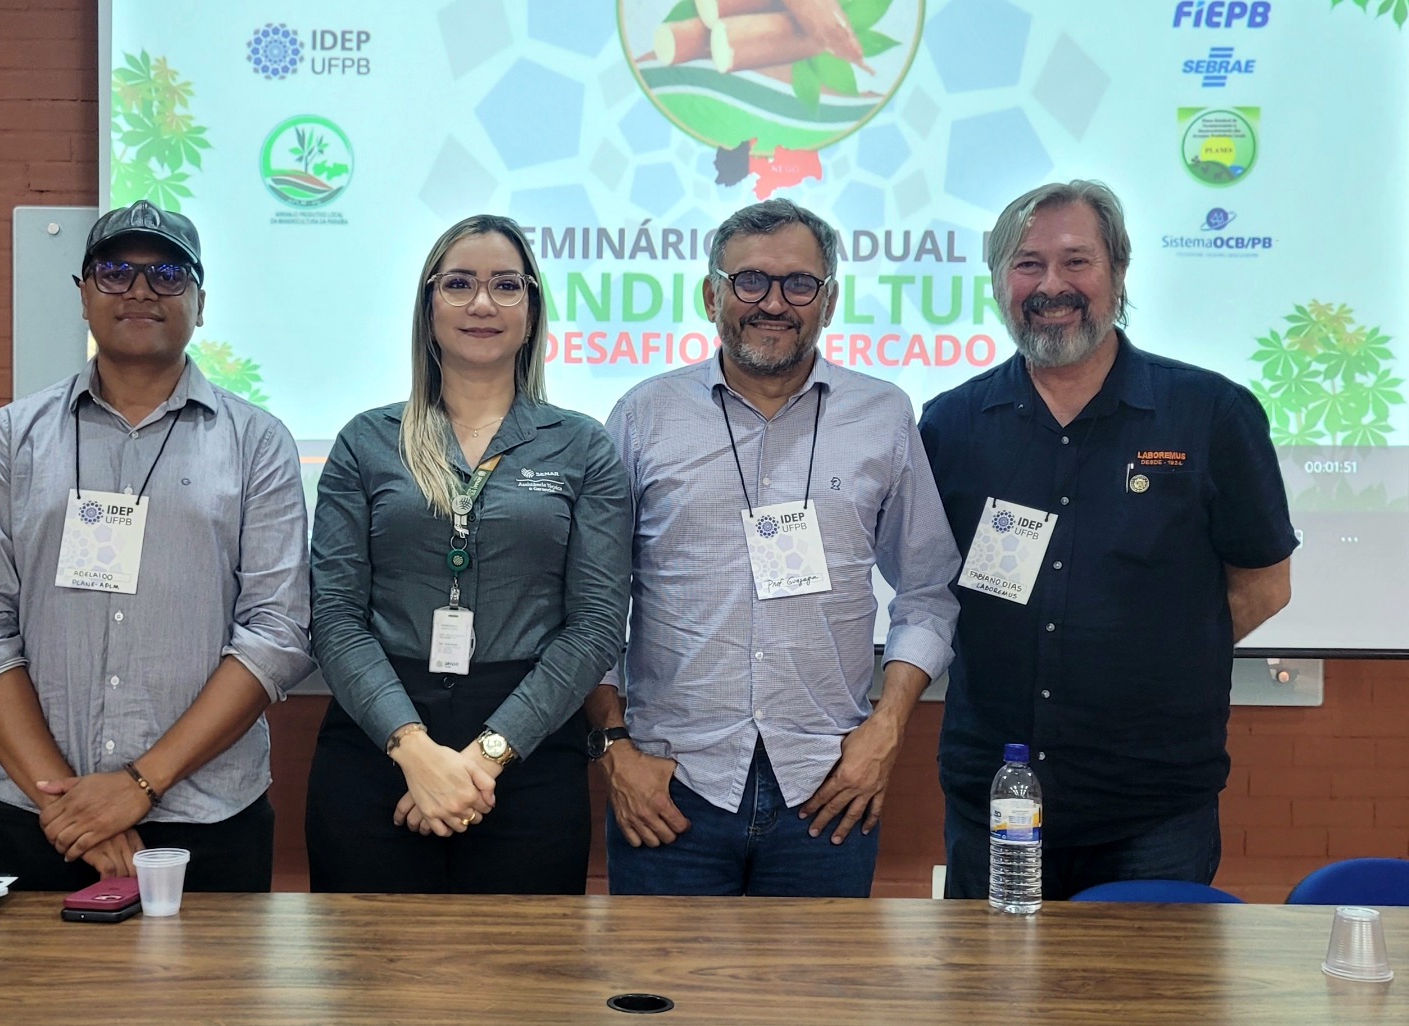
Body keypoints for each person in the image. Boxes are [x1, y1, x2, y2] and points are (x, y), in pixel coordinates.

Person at [919, 180, 1295, 900]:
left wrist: (1152, 652)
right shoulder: (950, 426)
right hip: (995, 798)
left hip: (1151, 806)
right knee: (989, 1004)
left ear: (1117, 276)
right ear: (999, 284)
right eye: (1026, 264)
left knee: (1147, 1008)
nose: (1050, 285)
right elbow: (924, 587)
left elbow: (1263, 586)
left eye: (1076, 262)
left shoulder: (1209, 414)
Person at [586, 199, 962, 897]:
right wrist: (614, 751)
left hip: (827, 790)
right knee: (667, 999)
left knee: (811, 1004)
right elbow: (591, 602)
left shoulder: (882, 415)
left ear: (829, 300)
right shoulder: (643, 416)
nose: (773, 303)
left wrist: (885, 729)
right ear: (710, 294)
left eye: (798, 284)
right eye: (749, 281)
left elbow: (928, 591)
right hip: (673, 789)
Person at [0, 201, 312, 892]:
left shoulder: (256, 441)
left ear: (201, 303)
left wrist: (139, 784)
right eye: (114, 272)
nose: (140, 290)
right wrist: (68, 803)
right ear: (82, 294)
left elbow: (276, 632)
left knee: (211, 1004)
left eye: (167, 274)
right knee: (37, 1003)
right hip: (41, 814)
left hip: (208, 818)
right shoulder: (14, 435)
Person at [305, 215, 630, 894]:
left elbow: (596, 624)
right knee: (368, 983)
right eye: (458, 284)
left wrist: (483, 758)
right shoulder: (366, 441)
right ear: (428, 308)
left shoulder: (582, 446)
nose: (481, 304)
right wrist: (416, 754)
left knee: (521, 991)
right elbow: (334, 615)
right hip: (379, 735)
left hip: (529, 746)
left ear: (532, 310)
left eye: (505, 286)